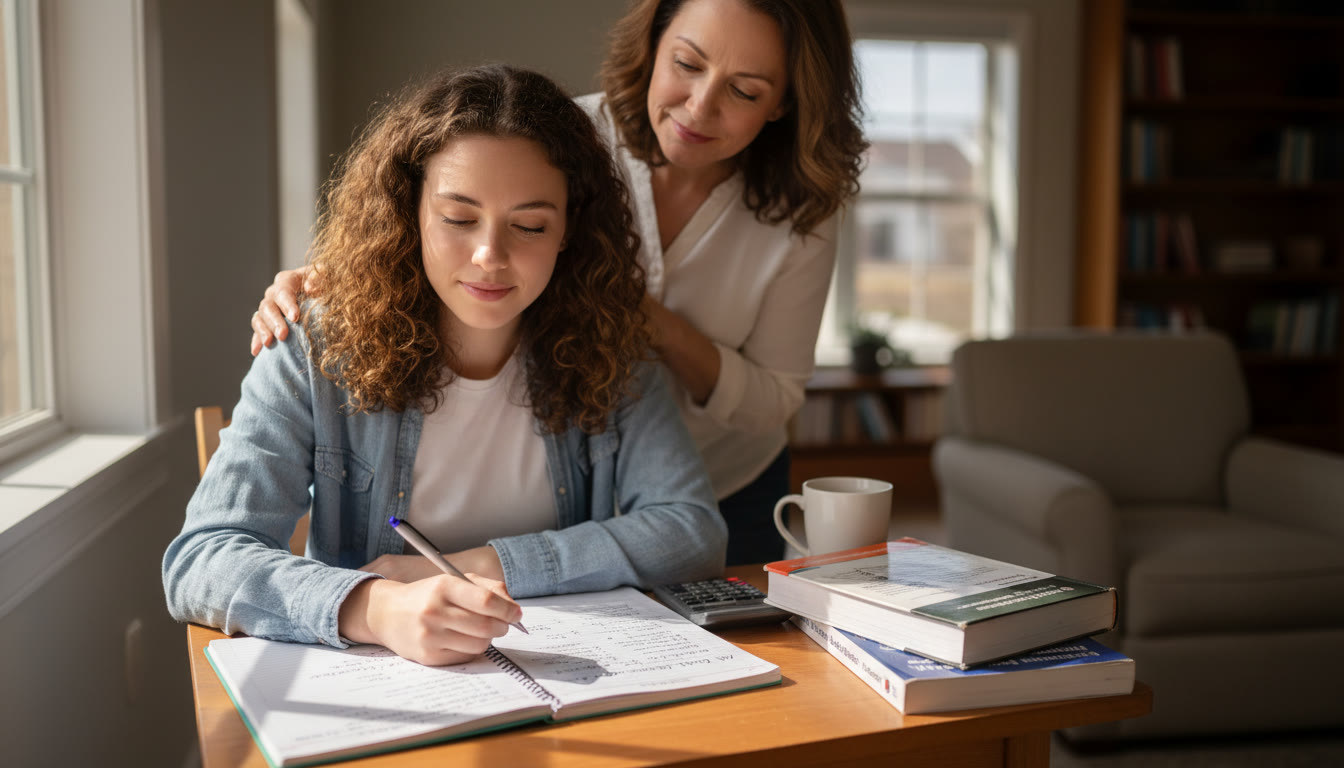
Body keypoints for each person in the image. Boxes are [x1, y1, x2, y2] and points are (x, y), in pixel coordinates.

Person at [248, 0, 866, 565]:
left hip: (711, 469)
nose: (700, 107)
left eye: (744, 90)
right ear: (653, 43)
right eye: (686, 63)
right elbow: (438, 203)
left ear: (783, 101)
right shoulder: (558, 137)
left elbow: (766, 410)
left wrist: (647, 325)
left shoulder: (798, 214)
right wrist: (348, 280)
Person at [164, 64, 726, 667]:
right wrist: (375, 608)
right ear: (411, 211)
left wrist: (481, 567)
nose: (490, 256)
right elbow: (204, 559)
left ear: (568, 231)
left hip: (555, 679)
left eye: (530, 225)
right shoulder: (315, 345)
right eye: (458, 218)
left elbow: (692, 533)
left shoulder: (606, 346)